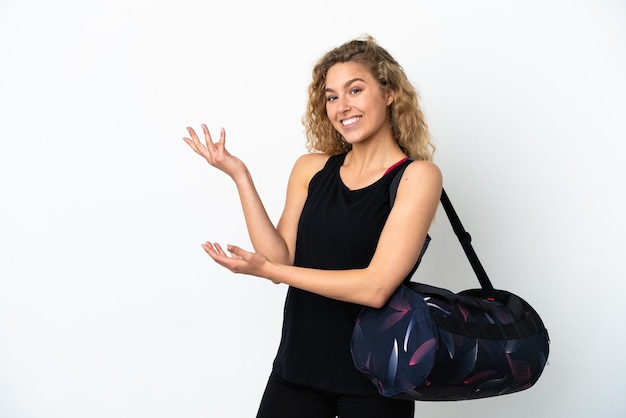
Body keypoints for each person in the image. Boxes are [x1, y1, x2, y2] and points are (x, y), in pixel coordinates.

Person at [182, 35, 442, 418]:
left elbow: (375, 288)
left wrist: (272, 271)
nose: (342, 106)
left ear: (389, 94)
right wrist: (240, 176)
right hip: (297, 370)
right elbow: (279, 257)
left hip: (376, 381)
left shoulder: (416, 177)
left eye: (355, 89)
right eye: (332, 96)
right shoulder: (311, 168)